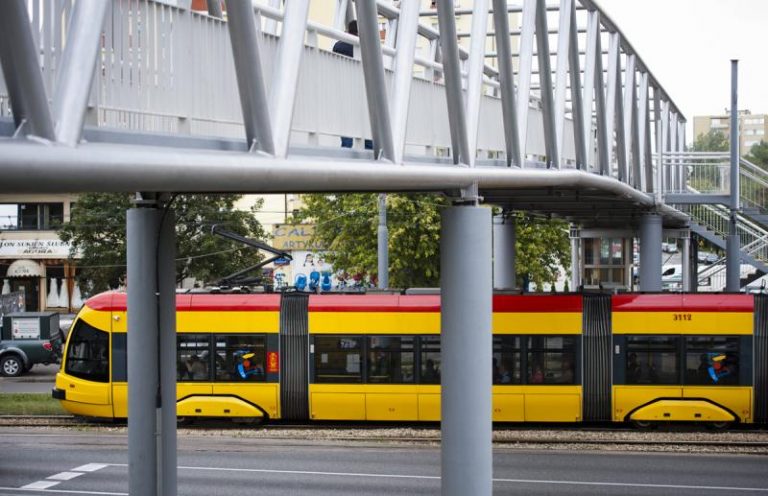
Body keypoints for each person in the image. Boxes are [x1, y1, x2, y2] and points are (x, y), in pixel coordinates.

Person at [332, 20, 373, 150]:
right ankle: (370, 149)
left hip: (343, 87)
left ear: (349, 30)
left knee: (346, 121)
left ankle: (346, 147)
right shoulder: (366, 46)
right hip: (362, 89)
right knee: (367, 121)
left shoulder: (338, 45)